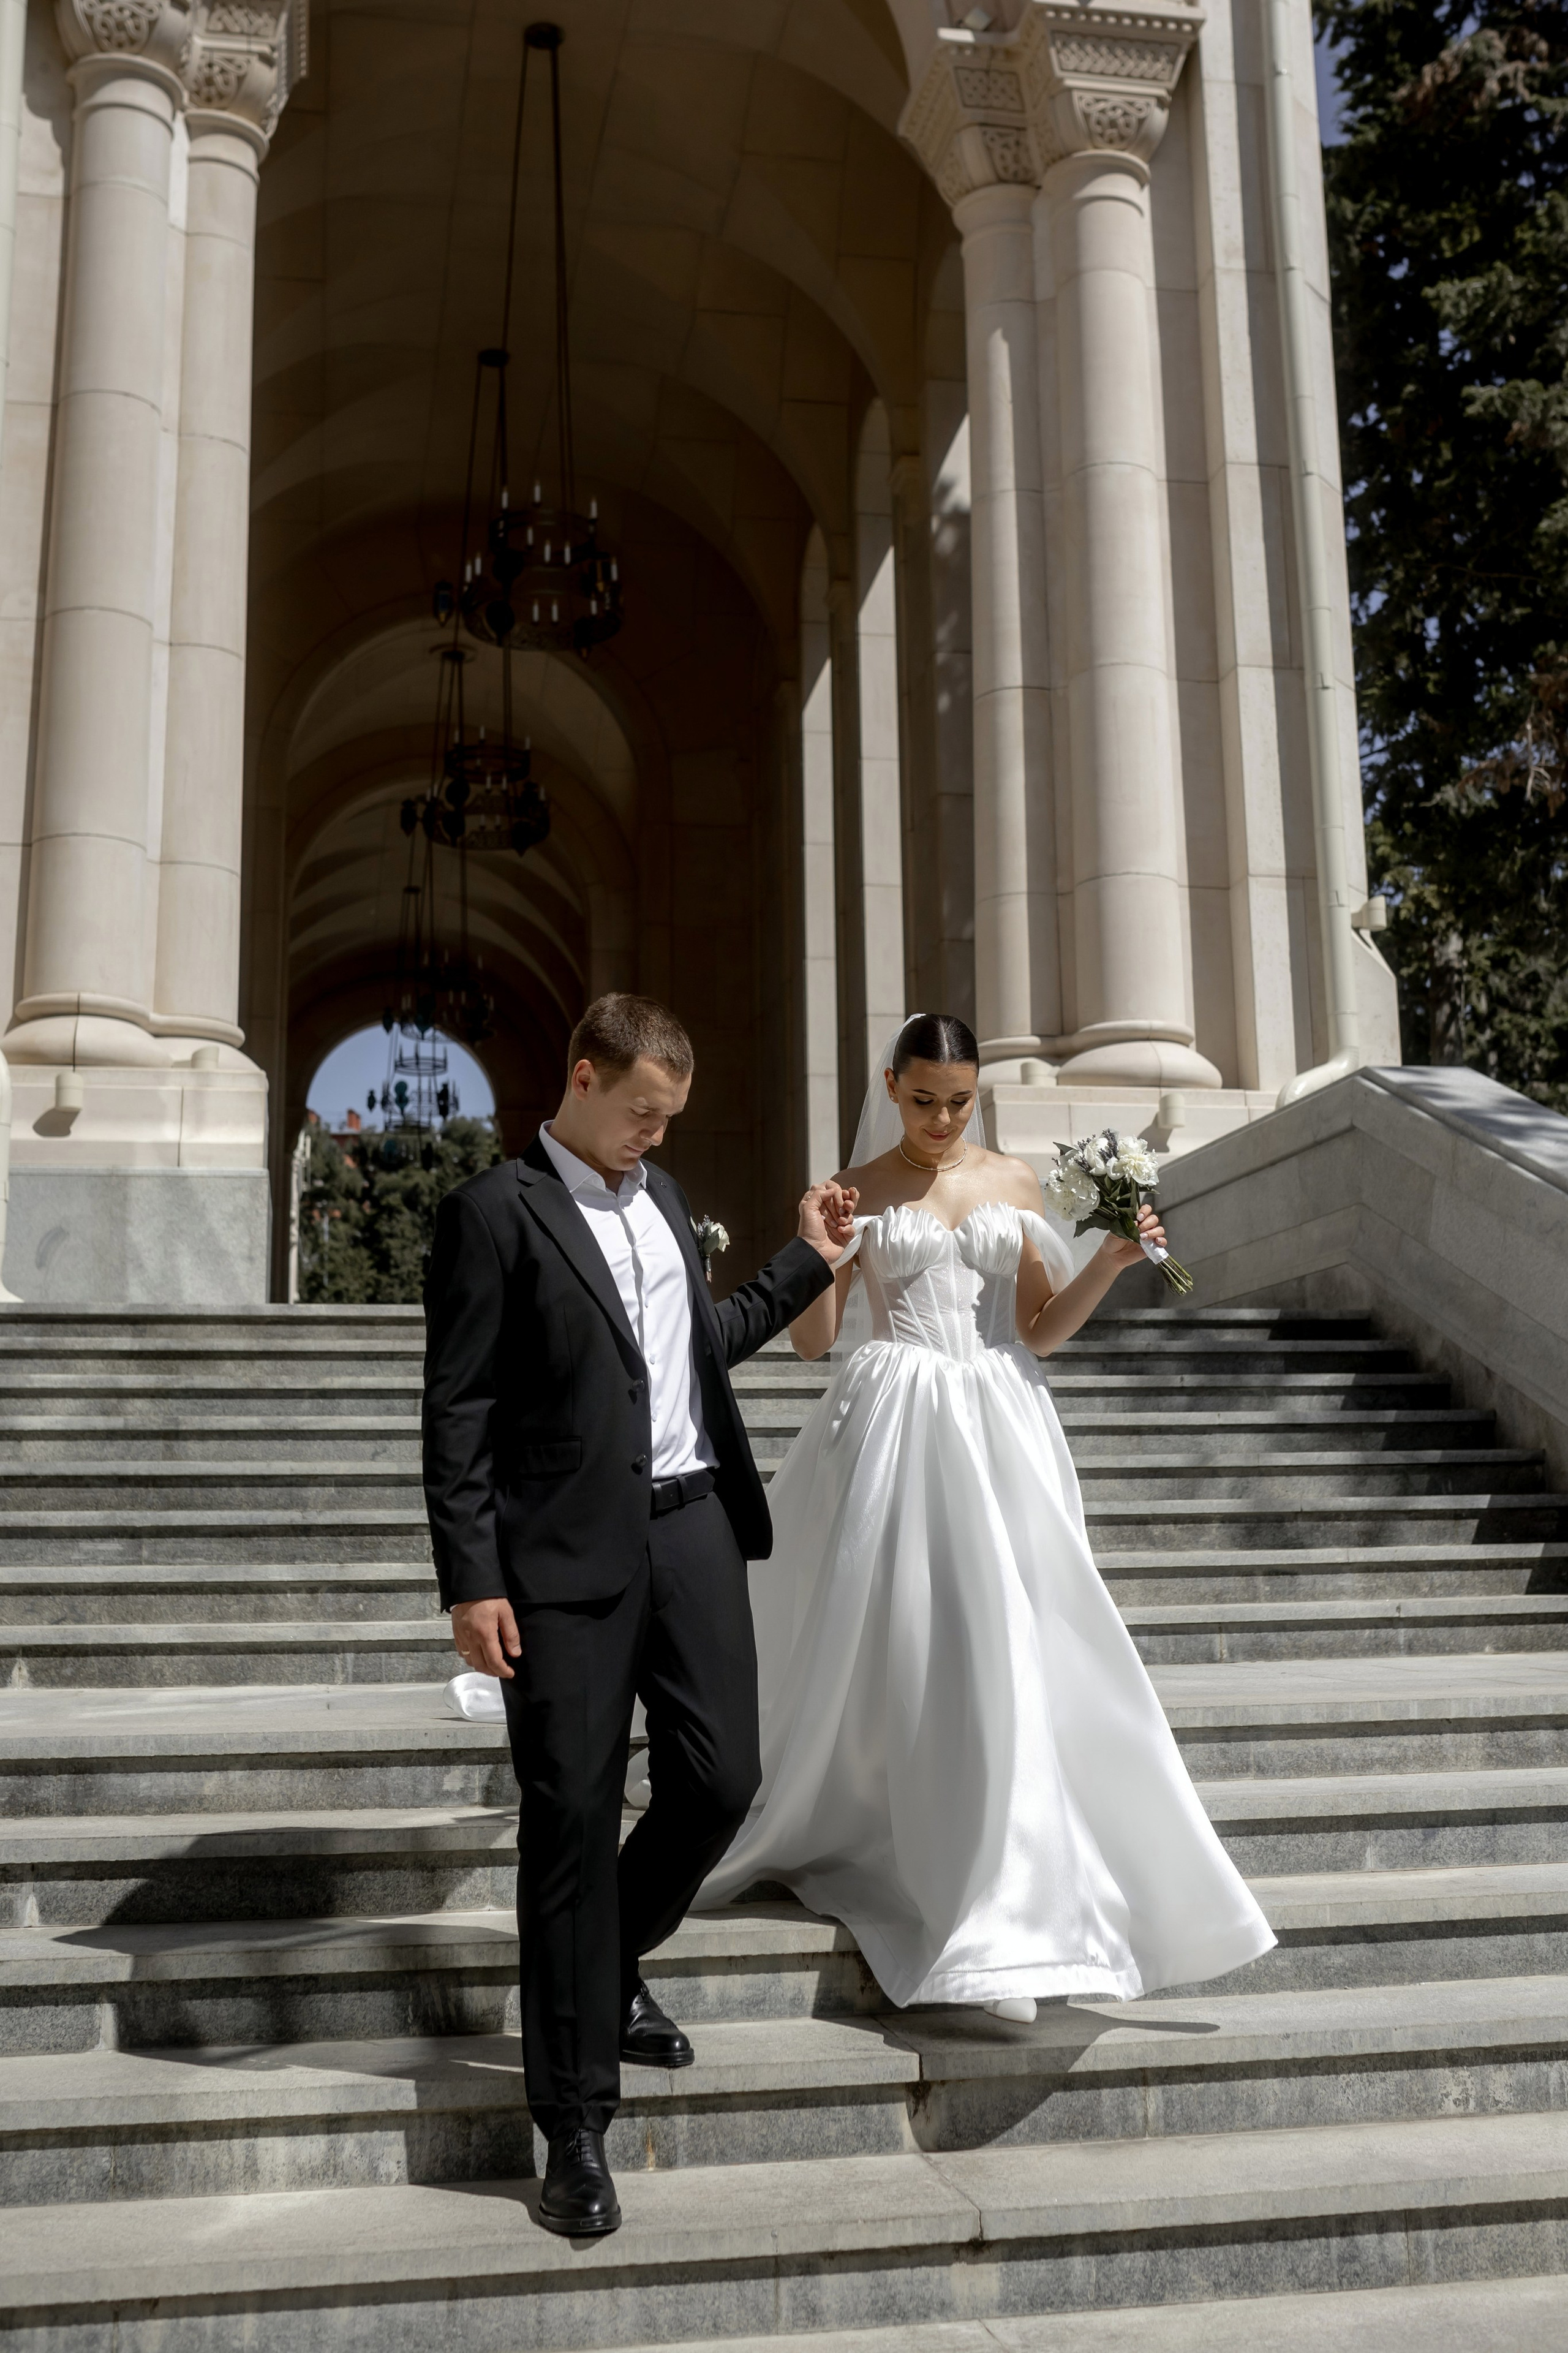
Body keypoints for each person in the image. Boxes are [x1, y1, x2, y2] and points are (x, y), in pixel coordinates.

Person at [699, 1012, 1275, 2018]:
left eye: (959, 1100)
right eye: (922, 1098)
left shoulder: (1015, 1182)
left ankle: (1016, 1895)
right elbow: (813, 1343)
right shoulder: (857, 1192)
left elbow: (1037, 1333)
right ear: (890, 1084)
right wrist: (812, 1247)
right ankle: (963, 1878)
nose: (941, 1117)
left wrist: (1106, 1260)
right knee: (934, 1635)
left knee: (1020, 1636)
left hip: (1002, 1424)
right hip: (894, 1425)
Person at [421, 994, 855, 2238]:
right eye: (642, 1112)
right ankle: (572, 2127)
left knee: (722, 1779)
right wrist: (470, 1577)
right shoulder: (491, 1215)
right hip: (555, 1564)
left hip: (692, 1528)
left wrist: (803, 1264)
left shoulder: (661, 1203)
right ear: (580, 1077)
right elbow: (456, 1410)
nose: (655, 1138)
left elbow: (698, 1346)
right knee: (566, 1828)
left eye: (670, 1119)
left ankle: (598, 1973)